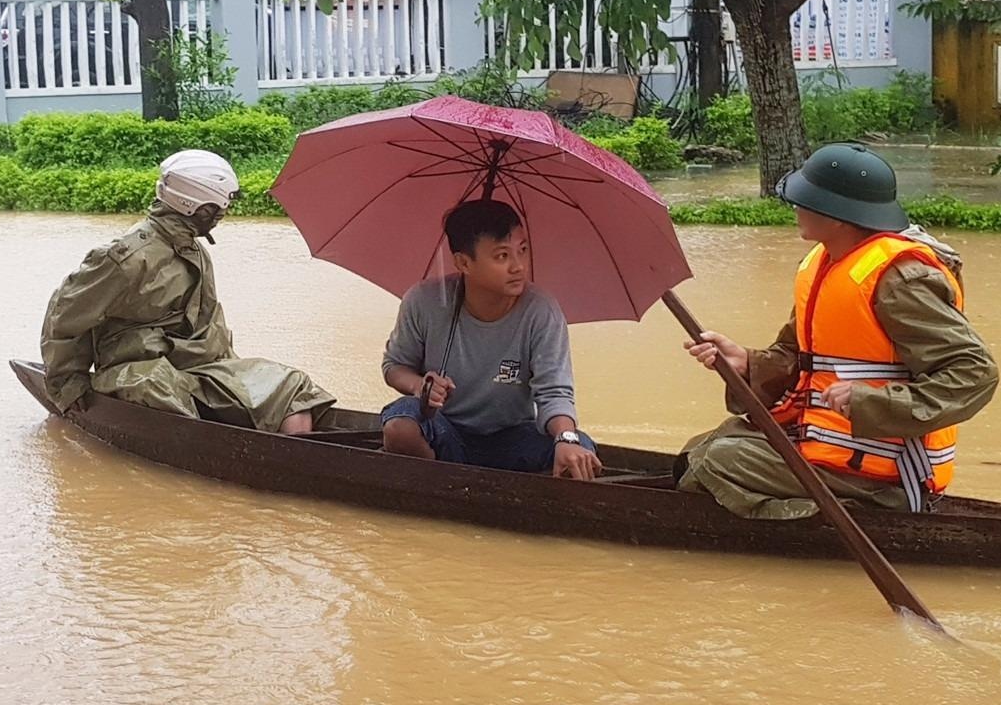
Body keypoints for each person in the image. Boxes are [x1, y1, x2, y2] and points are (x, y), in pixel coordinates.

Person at [677, 142, 1000, 519]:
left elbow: (975, 373)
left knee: (719, 459)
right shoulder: (824, 262)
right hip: (822, 445)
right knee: (704, 448)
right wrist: (747, 361)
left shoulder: (900, 280)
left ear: (839, 216)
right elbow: (800, 356)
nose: (795, 207)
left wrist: (872, 402)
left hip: (883, 475)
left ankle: (842, 514)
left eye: (805, 200)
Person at [40, 149, 336, 434]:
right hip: (137, 369)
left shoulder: (196, 252)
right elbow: (64, 315)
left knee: (293, 385)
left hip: (202, 366)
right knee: (158, 387)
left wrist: (242, 385)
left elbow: (211, 325)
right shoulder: (126, 258)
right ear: (198, 207)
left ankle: (293, 452)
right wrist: (68, 384)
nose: (223, 214)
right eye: (219, 209)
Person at [379, 198, 603, 480]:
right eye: (502, 256)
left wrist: (566, 438)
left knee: (579, 452)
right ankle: (441, 488)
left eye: (522, 251)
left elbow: (554, 393)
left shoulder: (541, 310)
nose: (518, 266)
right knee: (400, 426)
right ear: (463, 262)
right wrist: (420, 385)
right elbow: (395, 366)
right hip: (444, 428)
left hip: (514, 438)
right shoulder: (424, 301)